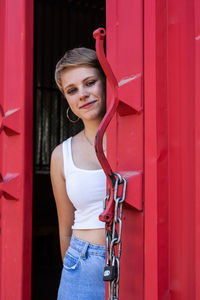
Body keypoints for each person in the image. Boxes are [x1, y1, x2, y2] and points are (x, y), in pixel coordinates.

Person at [50, 47, 107, 300]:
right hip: (81, 267)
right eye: (72, 90)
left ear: (106, 83)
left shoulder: (137, 141)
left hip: (138, 261)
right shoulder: (61, 155)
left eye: (90, 83)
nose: (82, 95)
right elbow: (65, 228)